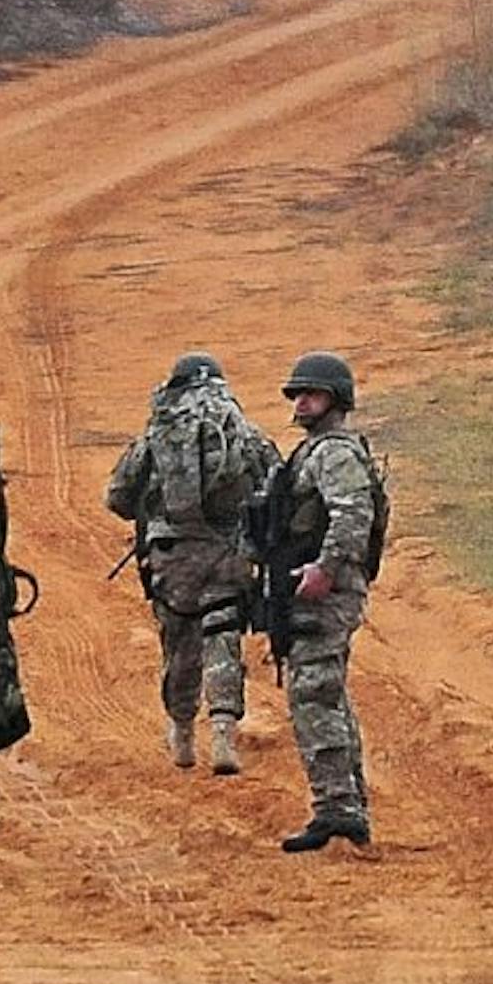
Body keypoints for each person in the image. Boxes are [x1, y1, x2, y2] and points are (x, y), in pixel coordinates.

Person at [105, 352, 279, 776]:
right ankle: (222, 731)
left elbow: (118, 497)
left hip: (172, 559)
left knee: (179, 644)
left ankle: (182, 732)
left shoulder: (159, 432)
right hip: (228, 554)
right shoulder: (242, 430)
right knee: (222, 637)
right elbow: (276, 485)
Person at [269, 351, 378, 852]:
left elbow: (352, 515)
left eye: (310, 393)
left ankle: (337, 810)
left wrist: (324, 569)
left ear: (336, 399)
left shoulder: (334, 453)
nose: (301, 402)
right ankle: (348, 805)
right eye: (297, 395)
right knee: (326, 693)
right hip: (315, 588)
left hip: (325, 593)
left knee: (313, 694)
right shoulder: (316, 451)